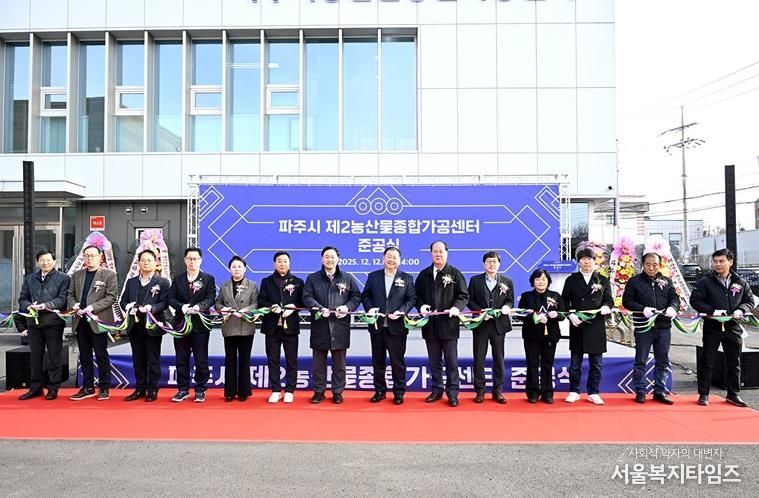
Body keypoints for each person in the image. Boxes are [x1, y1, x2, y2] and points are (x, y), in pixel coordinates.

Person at [691, 248, 756, 407]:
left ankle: (733, 394)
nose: (718, 264)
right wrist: (712, 311)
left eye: (721, 261)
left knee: (734, 362)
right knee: (707, 361)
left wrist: (741, 310)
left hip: (733, 327)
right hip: (712, 327)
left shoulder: (740, 282)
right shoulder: (705, 282)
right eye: (715, 261)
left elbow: (749, 301)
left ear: (730, 262)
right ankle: (704, 394)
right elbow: (695, 301)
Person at [302, 246, 361, 404]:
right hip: (320, 325)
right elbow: (306, 297)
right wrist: (319, 308)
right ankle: (319, 391)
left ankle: (337, 391)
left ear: (338, 259)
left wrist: (347, 307)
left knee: (340, 363)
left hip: (340, 326)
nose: (330, 259)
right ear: (322, 259)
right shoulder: (313, 278)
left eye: (332, 256)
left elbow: (356, 297)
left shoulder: (347, 278)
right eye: (327, 256)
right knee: (318, 363)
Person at [415, 241, 469, 407]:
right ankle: (437, 390)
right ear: (431, 253)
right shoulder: (424, 274)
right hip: (430, 325)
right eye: (435, 251)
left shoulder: (455, 274)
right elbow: (416, 296)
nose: (438, 254)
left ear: (447, 252)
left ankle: (452, 393)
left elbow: (463, 295)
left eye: (441, 251)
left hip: (449, 325)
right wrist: (421, 306)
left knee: (451, 362)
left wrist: (456, 307)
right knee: (434, 361)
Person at [361, 246, 417, 405]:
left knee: (397, 362)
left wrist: (402, 311)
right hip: (377, 327)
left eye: (394, 257)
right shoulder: (374, 276)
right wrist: (370, 308)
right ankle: (379, 391)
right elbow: (365, 296)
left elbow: (412, 299)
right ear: (383, 258)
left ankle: (399, 392)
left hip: (397, 327)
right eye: (389, 256)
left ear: (400, 260)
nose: (391, 260)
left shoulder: (406, 278)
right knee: (378, 361)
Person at [622, 252, 679, 404]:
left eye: (655, 264)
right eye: (648, 264)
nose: (651, 268)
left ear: (660, 265)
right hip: (643, 326)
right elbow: (627, 301)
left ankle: (660, 391)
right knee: (641, 359)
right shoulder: (634, 282)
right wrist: (642, 309)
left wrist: (673, 307)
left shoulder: (666, 281)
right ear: (642, 265)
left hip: (663, 326)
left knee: (662, 360)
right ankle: (640, 390)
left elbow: (674, 298)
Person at [561, 247, 613, 405]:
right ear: (578, 262)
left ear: (595, 261)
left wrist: (606, 306)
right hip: (578, 324)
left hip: (596, 325)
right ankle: (574, 391)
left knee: (596, 363)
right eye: (583, 259)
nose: (586, 262)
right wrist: (570, 315)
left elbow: (609, 299)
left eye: (589, 259)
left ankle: (593, 392)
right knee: (575, 363)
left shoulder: (602, 280)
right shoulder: (571, 280)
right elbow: (564, 301)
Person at [17, 250, 70, 400]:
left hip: (53, 323)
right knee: (35, 357)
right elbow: (22, 298)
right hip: (33, 324)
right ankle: (36, 388)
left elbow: (62, 299)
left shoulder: (63, 278)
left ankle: (53, 388)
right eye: (42, 260)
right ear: (37, 262)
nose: (45, 263)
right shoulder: (30, 279)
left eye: (48, 260)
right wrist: (28, 306)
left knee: (54, 357)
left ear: (54, 261)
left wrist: (45, 305)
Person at [67, 245, 118, 401]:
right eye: (87, 255)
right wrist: (74, 305)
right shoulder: (77, 275)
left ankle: (104, 387)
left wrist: (92, 307)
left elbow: (111, 297)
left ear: (100, 257)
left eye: (93, 255)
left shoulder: (109, 275)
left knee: (101, 355)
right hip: (80, 320)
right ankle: (87, 387)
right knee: (84, 355)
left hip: (98, 320)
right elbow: (70, 294)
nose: (89, 258)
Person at [120, 249, 171, 402]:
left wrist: (152, 308)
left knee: (153, 359)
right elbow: (122, 301)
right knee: (138, 359)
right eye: (143, 260)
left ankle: (153, 389)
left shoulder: (162, 282)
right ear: (138, 263)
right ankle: (139, 388)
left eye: (149, 260)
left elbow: (165, 302)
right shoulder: (131, 282)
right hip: (135, 326)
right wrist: (129, 306)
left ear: (156, 263)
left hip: (152, 326)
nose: (146, 263)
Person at [168, 247, 217, 403]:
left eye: (195, 259)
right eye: (189, 258)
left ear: (200, 260)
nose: (192, 261)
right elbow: (171, 298)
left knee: (201, 359)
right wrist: (181, 307)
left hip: (200, 325)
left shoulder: (208, 279)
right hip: (181, 324)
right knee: (181, 358)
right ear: (185, 260)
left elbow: (211, 298)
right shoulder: (178, 279)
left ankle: (200, 389)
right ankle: (182, 389)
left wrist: (199, 307)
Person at [467, 251, 514, 404]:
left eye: (494, 261)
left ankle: (497, 391)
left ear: (499, 264)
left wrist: (506, 307)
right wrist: (481, 311)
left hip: (499, 325)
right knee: (479, 359)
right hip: (481, 324)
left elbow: (510, 301)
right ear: (483, 264)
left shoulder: (507, 281)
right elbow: (469, 300)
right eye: (488, 261)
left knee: (499, 359)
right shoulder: (475, 280)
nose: (491, 264)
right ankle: (480, 391)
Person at [259, 251, 305, 403]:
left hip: (290, 327)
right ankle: (276, 390)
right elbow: (261, 301)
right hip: (272, 327)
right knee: (273, 360)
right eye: (279, 261)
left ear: (289, 263)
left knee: (291, 360)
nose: (282, 264)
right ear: (274, 264)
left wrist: (293, 307)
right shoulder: (266, 281)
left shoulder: (298, 282)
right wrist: (271, 306)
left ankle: (290, 390)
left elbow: (303, 302)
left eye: (285, 261)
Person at [518, 269, 565, 404]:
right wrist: (534, 317)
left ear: (548, 281)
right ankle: (532, 393)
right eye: (538, 279)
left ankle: (547, 393)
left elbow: (563, 314)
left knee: (547, 364)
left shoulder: (555, 296)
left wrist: (557, 315)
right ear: (533, 281)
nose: (541, 282)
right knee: (532, 364)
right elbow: (520, 315)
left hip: (550, 336)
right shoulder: (526, 296)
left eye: (544, 279)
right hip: (531, 336)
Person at [215, 255, 258, 402]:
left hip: (246, 326)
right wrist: (223, 309)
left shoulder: (252, 285)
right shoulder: (224, 286)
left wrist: (246, 310)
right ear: (229, 269)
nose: (237, 269)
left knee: (245, 360)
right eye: (234, 267)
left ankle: (244, 391)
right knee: (230, 359)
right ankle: (229, 392)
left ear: (245, 269)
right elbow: (218, 303)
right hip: (229, 326)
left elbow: (256, 303)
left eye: (239, 266)